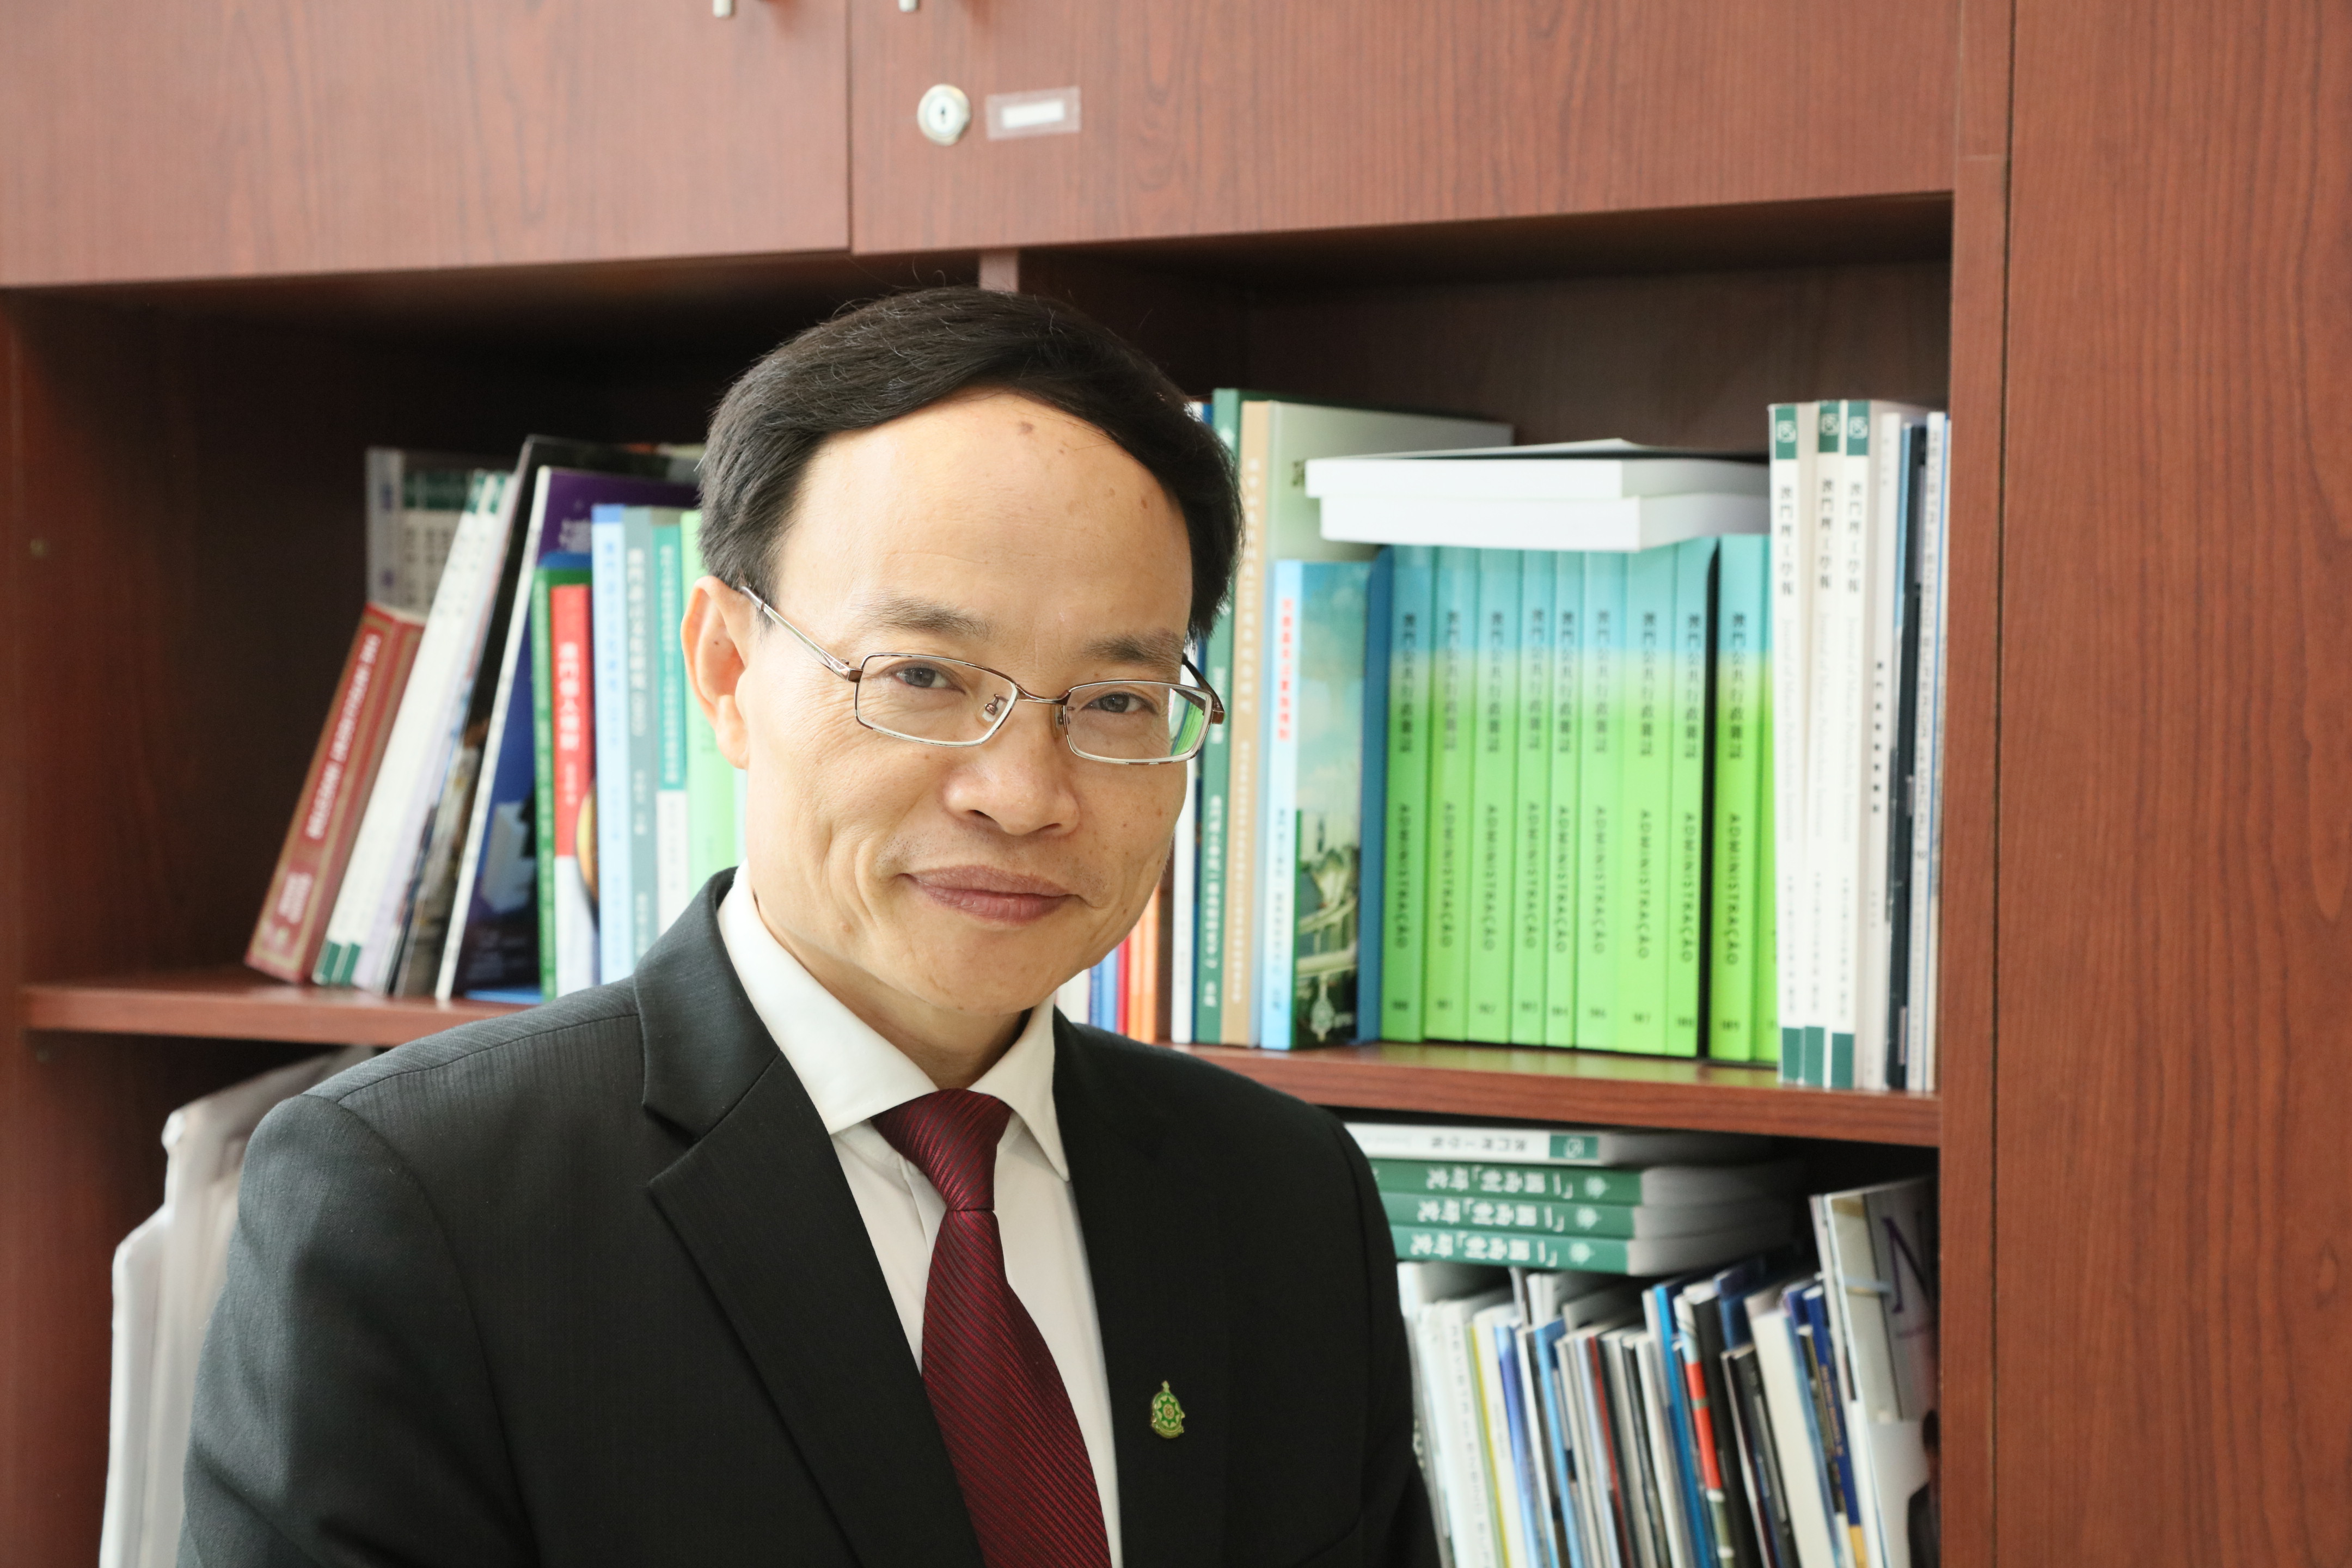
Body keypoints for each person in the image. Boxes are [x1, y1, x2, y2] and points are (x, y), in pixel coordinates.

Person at [180, 287, 1436, 1568]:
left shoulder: (1285, 1196)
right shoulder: (415, 1203)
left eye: (1115, 700)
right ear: (726, 670)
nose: (1023, 795)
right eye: (923, 677)